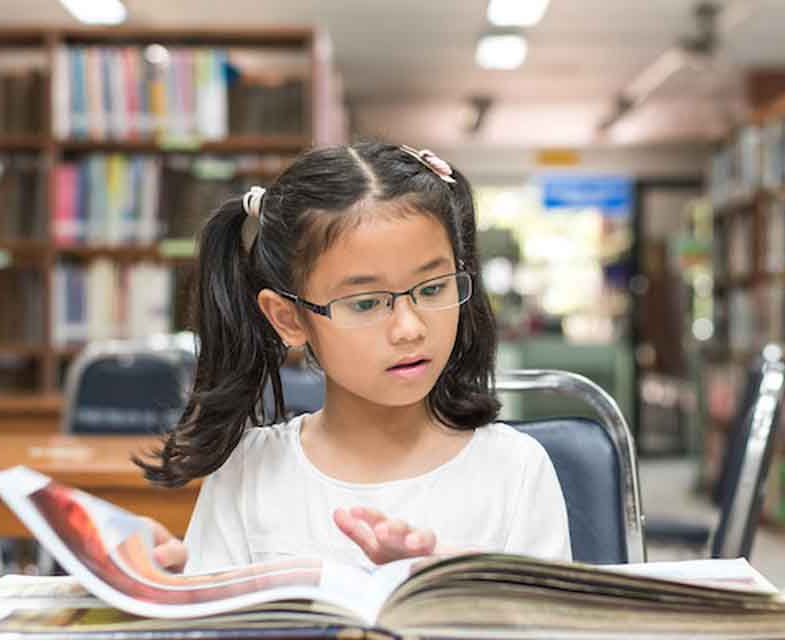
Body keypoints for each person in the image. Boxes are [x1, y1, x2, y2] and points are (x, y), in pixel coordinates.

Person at [137, 142, 571, 572]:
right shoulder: (249, 470)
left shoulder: (515, 469)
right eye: (365, 303)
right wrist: (166, 599)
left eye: (434, 288)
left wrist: (467, 593)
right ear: (288, 319)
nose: (410, 328)